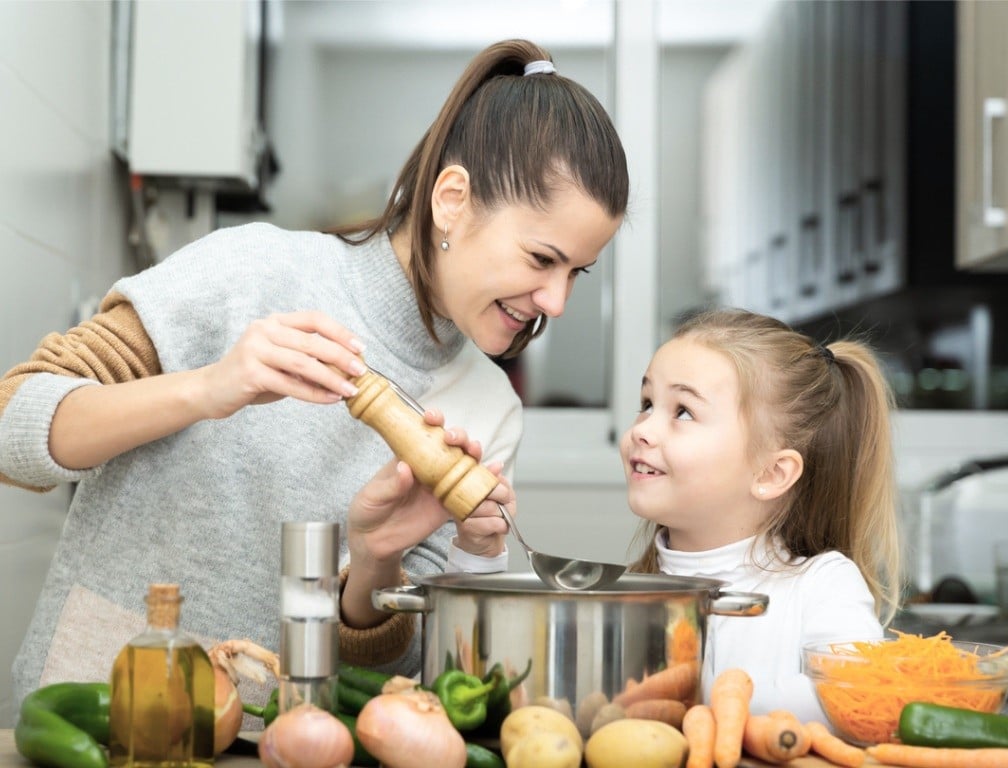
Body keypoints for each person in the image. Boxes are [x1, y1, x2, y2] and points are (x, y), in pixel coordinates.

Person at [1, 38, 628, 707]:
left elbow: (398, 670)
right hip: (96, 714)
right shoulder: (253, 270)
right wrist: (209, 388)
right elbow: (14, 428)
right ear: (452, 199)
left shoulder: (488, 408)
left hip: (279, 742)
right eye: (541, 259)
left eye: (576, 273)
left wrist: (376, 556)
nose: (557, 302)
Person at [621, 308, 901, 723]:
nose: (642, 429)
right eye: (647, 403)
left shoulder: (822, 586)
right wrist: (485, 555)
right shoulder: (629, 589)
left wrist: (703, 707)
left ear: (771, 474)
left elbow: (856, 692)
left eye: (682, 411)